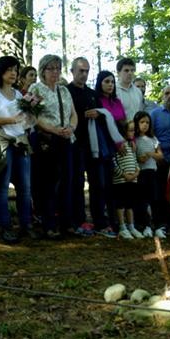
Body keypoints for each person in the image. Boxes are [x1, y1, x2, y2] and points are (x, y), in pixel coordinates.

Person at [0, 55, 36, 244]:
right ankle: (5, 227)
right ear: (0, 72)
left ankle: (26, 225)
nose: (14, 73)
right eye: (10, 69)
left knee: (25, 187)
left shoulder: (18, 94)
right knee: (2, 186)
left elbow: (23, 118)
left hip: (20, 141)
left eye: (16, 70)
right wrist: (10, 120)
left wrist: (29, 116)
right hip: (2, 143)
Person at [29, 54, 77, 238]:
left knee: (67, 181)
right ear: (43, 70)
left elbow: (73, 114)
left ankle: (67, 223)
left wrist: (71, 128)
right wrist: (52, 129)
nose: (55, 72)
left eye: (58, 68)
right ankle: (49, 224)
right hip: (46, 140)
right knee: (48, 183)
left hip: (66, 138)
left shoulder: (64, 90)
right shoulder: (36, 88)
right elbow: (31, 115)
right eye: (51, 69)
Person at [89, 70, 126, 237]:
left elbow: (122, 122)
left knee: (114, 185)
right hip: (101, 146)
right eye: (106, 82)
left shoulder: (117, 101)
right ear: (100, 84)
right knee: (100, 185)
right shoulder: (96, 100)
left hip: (117, 146)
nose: (110, 85)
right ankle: (100, 221)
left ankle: (115, 220)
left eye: (112, 82)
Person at [67, 57, 99, 235]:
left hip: (92, 144)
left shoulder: (92, 94)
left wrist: (97, 114)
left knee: (96, 182)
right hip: (74, 143)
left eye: (87, 71)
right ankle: (77, 219)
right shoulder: (66, 91)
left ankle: (98, 219)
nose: (84, 74)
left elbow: (103, 114)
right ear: (72, 71)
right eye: (80, 71)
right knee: (76, 182)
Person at [151, 85, 170, 234]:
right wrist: (158, 152)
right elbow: (150, 135)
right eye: (167, 93)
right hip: (159, 158)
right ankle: (159, 223)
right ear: (163, 96)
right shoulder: (154, 114)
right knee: (158, 192)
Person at [133, 111, 164, 238]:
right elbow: (133, 156)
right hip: (140, 173)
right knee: (141, 200)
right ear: (136, 123)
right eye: (142, 122)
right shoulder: (134, 139)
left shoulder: (153, 139)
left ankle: (158, 226)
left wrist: (151, 154)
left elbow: (160, 156)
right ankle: (144, 225)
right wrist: (139, 159)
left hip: (152, 172)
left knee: (154, 199)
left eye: (147, 122)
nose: (145, 125)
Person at [113, 120, 140, 239]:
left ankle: (131, 226)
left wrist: (136, 173)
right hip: (121, 181)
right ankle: (122, 227)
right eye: (131, 130)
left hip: (132, 180)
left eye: (134, 130)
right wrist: (123, 175)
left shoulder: (131, 145)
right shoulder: (118, 146)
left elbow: (135, 160)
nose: (133, 132)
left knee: (130, 204)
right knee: (120, 204)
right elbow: (113, 162)